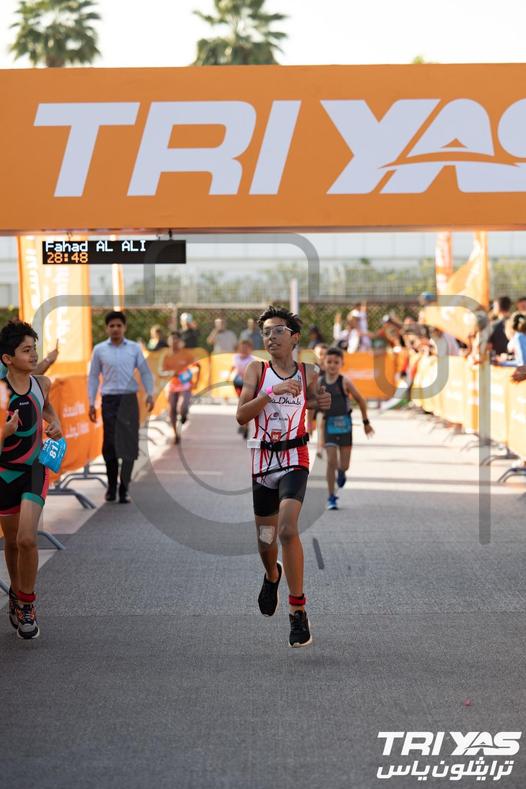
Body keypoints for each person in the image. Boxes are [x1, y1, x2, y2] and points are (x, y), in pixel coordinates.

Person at [236, 306, 331, 648]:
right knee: (266, 538)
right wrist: (271, 393)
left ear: (294, 338)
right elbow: (241, 415)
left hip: (295, 458)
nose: (270, 337)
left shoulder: (309, 372)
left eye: (278, 331)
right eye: (266, 332)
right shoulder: (257, 370)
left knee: (288, 529)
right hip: (263, 462)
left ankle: (297, 609)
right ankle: (271, 574)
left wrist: (322, 401)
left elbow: (316, 402)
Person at [0, 320, 62, 640]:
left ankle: (27, 603)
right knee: (11, 542)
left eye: (34, 348)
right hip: (4, 472)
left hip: (35, 469)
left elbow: (47, 408)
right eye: (26, 350)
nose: (34, 354)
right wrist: (5, 432)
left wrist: (55, 422)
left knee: (27, 539)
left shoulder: (42, 383)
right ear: (7, 358)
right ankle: (15, 592)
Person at [88, 311, 154, 504]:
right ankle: (111, 486)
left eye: (119, 325)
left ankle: (124, 488)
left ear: (124, 328)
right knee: (110, 444)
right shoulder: (99, 350)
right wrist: (91, 402)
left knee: (129, 444)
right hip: (109, 400)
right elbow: (93, 376)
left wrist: (150, 393)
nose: (115, 329)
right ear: (106, 328)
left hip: (129, 400)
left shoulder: (134, 348)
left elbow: (145, 372)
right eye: (112, 326)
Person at [319, 347, 374, 510]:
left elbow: (361, 400)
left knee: (344, 465)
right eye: (329, 362)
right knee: (331, 462)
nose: (332, 365)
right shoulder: (319, 383)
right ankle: (331, 497)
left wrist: (366, 422)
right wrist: (309, 425)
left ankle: (342, 472)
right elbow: (313, 405)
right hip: (328, 426)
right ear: (324, 363)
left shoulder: (344, 382)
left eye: (336, 362)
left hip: (345, 427)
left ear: (341, 364)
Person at [162, 332, 200, 444]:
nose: (174, 342)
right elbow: (162, 371)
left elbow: (197, 367)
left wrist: (196, 381)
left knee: (183, 406)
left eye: (176, 340)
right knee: (172, 409)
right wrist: (170, 373)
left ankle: (184, 414)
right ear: (168, 342)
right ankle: (176, 434)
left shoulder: (187, 354)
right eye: (172, 339)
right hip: (172, 385)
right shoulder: (167, 356)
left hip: (185, 384)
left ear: (180, 342)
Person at [230, 339, 256, 439]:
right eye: (242, 347)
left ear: (250, 349)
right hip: (237, 383)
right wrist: (228, 376)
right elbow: (233, 367)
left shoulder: (252, 359)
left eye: (246, 348)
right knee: (241, 404)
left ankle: (245, 426)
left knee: (245, 404)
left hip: (248, 384)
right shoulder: (235, 357)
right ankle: (243, 425)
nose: (244, 349)